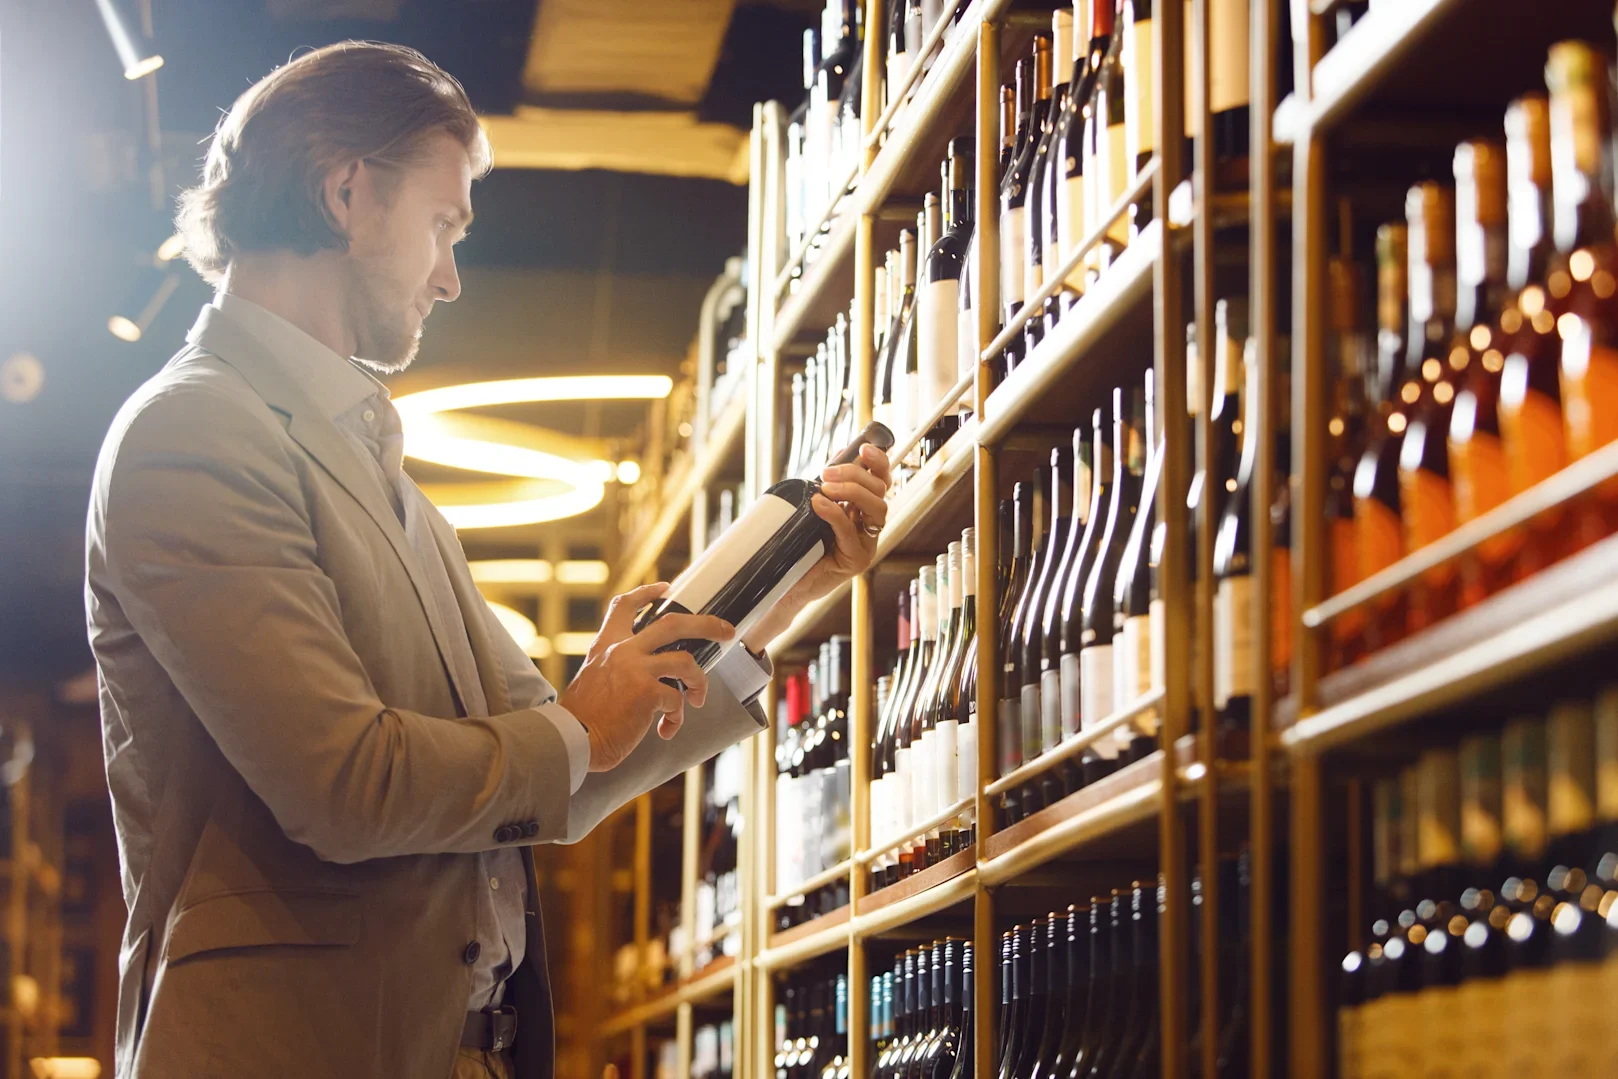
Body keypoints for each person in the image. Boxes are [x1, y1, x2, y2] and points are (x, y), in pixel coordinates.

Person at [83, 41, 891, 1079]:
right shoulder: (193, 430)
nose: (453, 276)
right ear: (346, 193)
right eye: (442, 224)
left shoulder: (381, 474)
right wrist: (576, 718)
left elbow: (569, 763)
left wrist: (789, 579)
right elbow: (341, 780)